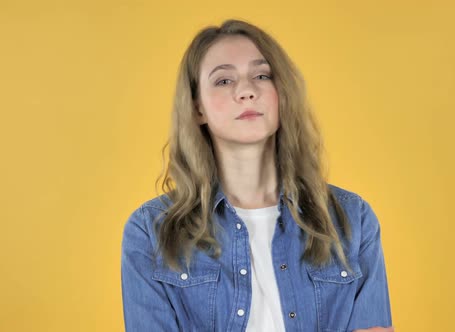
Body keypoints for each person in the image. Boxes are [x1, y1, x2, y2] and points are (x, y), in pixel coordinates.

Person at [121, 18, 394, 332]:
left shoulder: (351, 218)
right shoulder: (151, 231)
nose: (247, 91)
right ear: (198, 108)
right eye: (223, 80)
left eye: (262, 75)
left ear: (282, 94)